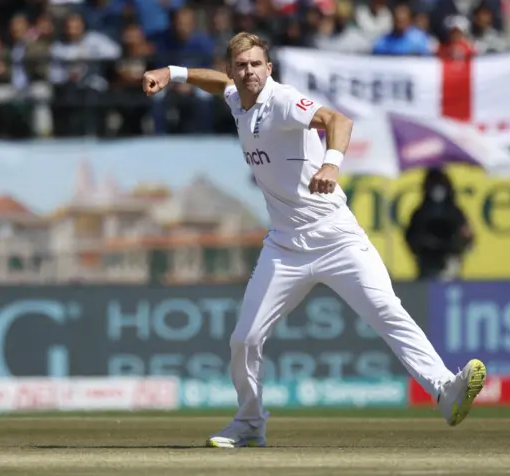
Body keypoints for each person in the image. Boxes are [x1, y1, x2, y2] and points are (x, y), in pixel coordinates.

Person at [142, 32, 487, 448]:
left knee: (386, 311)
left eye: (256, 64)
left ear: (269, 69)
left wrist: (331, 163)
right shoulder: (237, 96)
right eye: (241, 65)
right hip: (285, 247)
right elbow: (216, 83)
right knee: (245, 339)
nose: (249, 72)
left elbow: (338, 121)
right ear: (234, 68)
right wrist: (172, 72)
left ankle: (445, 391)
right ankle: (250, 422)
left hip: (336, 238)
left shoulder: (283, 100)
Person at [405, 168, 474, 280]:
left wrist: (456, 246)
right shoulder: (420, 213)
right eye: (434, 185)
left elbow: (468, 238)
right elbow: (411, 238)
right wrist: (427, 243)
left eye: (440, 184)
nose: (437, 190)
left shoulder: (455, 212)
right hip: (427, 265)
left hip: (451, 264)